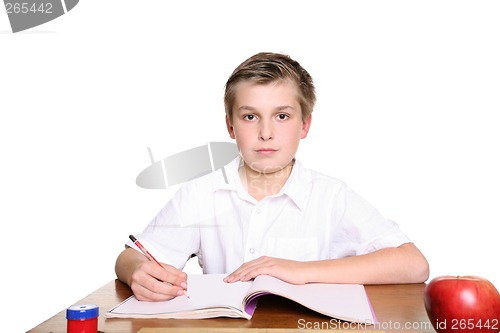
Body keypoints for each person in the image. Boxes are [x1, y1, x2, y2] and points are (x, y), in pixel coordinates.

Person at [115, 52, 429, 302]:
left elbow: (414, 264)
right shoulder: (200, 194)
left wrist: (301, 271)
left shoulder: (331, 196)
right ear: (231, 126)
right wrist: (137, 271)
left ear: (305, 125)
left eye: (282, 116)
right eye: (250, 117)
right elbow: (129, 259)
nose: (266, 133)